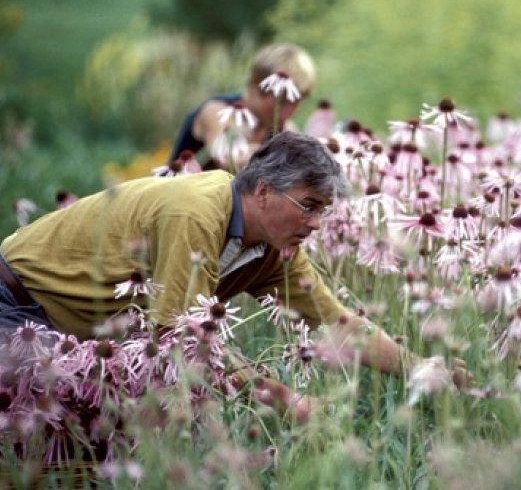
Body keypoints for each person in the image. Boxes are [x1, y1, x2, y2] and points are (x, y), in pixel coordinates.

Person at [1, 132, 469, 419]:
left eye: (323, 211)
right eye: (309, 206)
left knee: (95, 441)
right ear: (263, 191)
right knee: (51, 437)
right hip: (14, 304)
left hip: (70, 334)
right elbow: (179, 341)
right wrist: (288, 401)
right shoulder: (197, 213)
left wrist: (421, 369)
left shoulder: (272, 248)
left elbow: (337, 323)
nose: (316, 224)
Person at [168, 43, 316, 170]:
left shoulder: (286, 130)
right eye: (281, 101)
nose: (286, 113)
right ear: (254, 84)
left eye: (296, 102)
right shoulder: (217, 111)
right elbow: (226, 159)